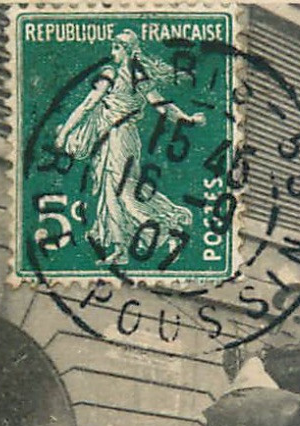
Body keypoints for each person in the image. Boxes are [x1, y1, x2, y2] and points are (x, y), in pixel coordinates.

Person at [53, 30, 204, 264]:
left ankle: (169, 224)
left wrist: (64, 133)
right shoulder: (138, 75)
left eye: (116, 48)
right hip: (118, 138)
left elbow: (87, 104)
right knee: (111, 191)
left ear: (127, 50)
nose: (112, 52)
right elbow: (161, 105)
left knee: (122, 190)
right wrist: (188, 119)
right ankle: (120, 248)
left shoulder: (112, 74)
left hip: (118, 138)